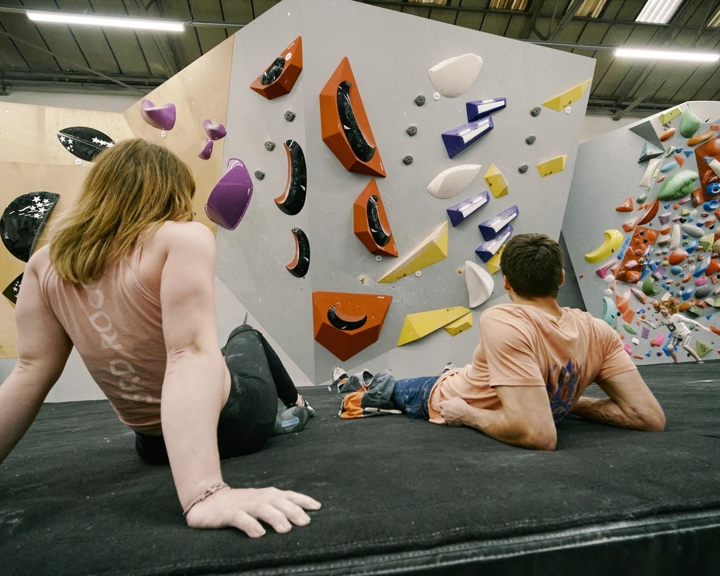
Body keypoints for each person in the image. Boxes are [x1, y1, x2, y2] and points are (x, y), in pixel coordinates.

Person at [0, 138, 320, 537]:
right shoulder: (182, 237)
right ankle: (296, 405)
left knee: (212, 351)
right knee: (244, 334)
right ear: (169, 193)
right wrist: (205, 492)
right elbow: (187, 354)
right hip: (238, 424)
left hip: (154, 447)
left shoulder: (44, 263)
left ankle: (293, 404)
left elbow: (30, 370)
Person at [334, 233, 666, 451]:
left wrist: (467, 414)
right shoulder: (599, 331)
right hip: (451, 386)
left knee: (413, 388)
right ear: (561, 279)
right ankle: (366, 384)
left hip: (455, 395)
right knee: (394, 388)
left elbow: (539, 434)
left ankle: (375, 384)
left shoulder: (504, 318)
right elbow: (645, 415)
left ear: (506, 282)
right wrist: (564, 399)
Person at [641, 299, 710, 364]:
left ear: (669, 309)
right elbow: (654, 326)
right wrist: (645, 321)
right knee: (669, 347)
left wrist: (702, 326)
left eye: (664, 309)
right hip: (676, 336)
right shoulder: (662, 320)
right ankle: (676, 360)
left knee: (685, 346)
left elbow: (690, 321)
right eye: (661, 309)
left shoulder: (676, 316)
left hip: (685, 333)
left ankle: (698, 359)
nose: (662, 310)